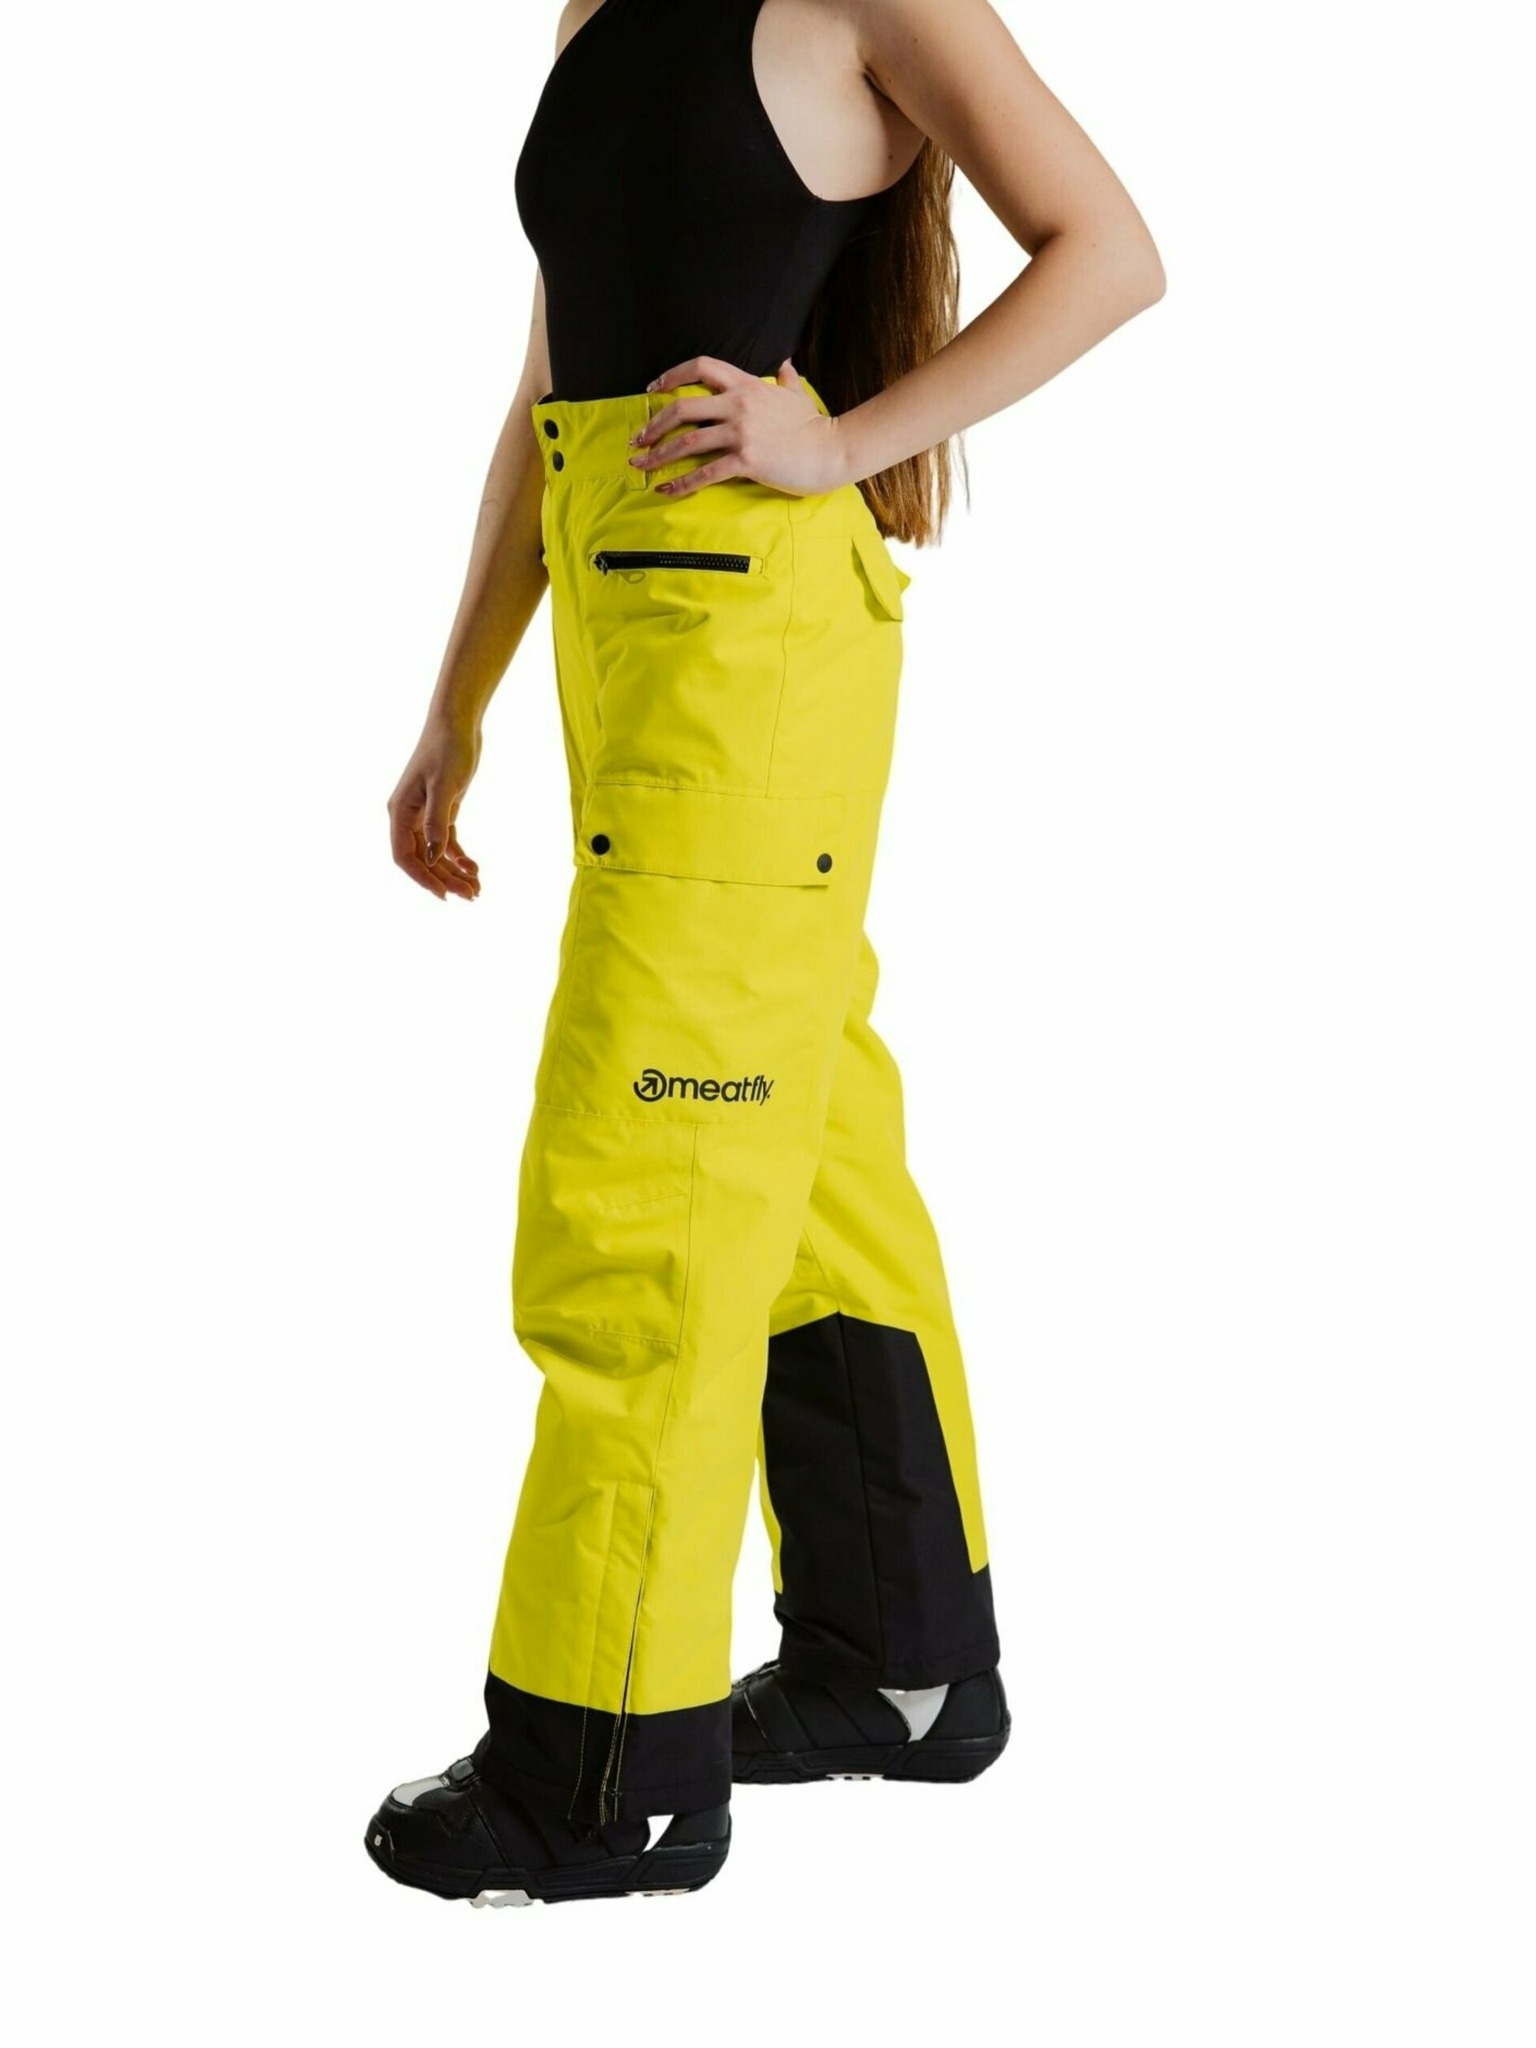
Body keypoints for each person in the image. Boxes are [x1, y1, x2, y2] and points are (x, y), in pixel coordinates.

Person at [367, 0, 1163, 1909]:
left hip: (748, 662)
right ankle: (901, 1664)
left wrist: (847, 443)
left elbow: (1113, 250)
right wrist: (457, 700)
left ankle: (603, 1776)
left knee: (647, 1191)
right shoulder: (597, 8)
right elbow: (552, 388)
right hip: (629, 651)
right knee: (803, 1162)